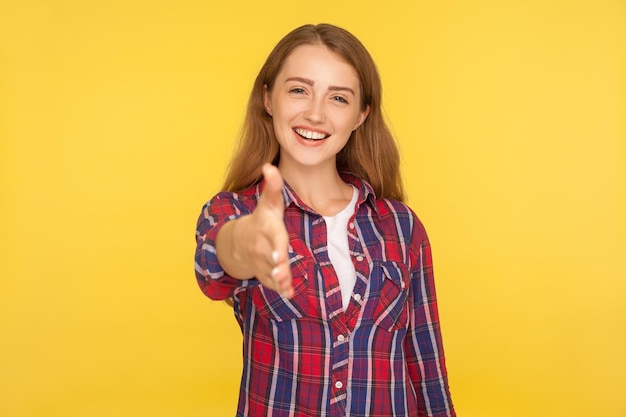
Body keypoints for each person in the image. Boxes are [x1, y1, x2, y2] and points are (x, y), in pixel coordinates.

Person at [194, 23, 455, 417]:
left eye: (338, 98)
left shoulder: (401, 228)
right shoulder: (236, 212)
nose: (315, 113)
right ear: (268, 99)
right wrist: (249, 242)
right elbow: (215, 266)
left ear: (360, 115)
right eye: (299, 90)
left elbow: (428, 374)